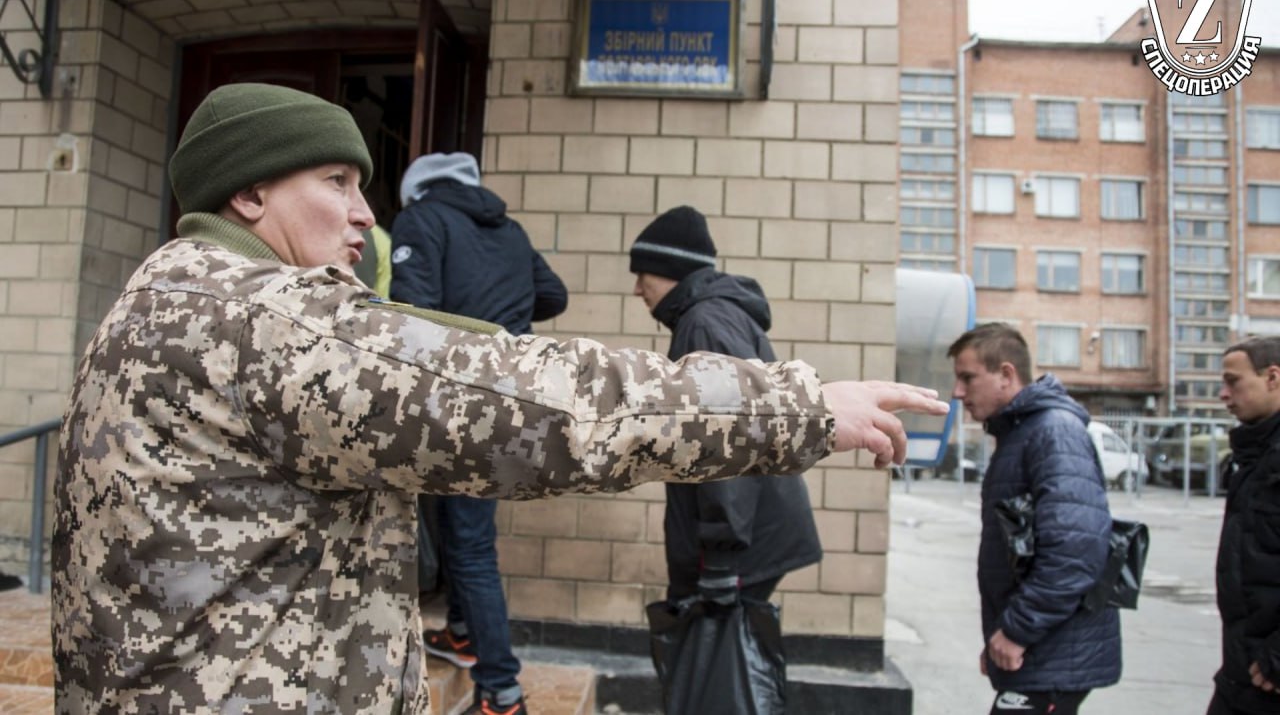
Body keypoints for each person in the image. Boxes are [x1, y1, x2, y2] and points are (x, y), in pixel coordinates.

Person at [51, 82, 947, 715]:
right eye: (337, 182)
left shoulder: (174, 296)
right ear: (246, 193)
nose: (366, 215)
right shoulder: (256, 316)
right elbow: (523, 403)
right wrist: (797, 409)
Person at [391, 151, 569, 715]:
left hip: (456, 402)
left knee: (468, 546)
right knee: (461, 527)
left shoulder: (421, 220)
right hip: (508, 400)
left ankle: (502, 690)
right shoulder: (508, 229)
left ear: (418, 190)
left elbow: (412, 311)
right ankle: (464, 633)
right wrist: (504, 317)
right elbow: (555, 295)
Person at [629, 205, 821, 608]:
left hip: (735, 549)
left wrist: (719, 560)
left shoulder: (704, 324)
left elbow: (730, 438)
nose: (636, 289)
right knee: (721, 664)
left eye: (640, 274)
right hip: (747, 536)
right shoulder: (716, 315)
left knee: (710, 664)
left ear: (668, 269)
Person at [947, 323, 1120, 715]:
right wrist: (1001, 635)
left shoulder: (1053, 432)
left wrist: (1015, 630)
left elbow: (1075, 550)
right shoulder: (1024, 432)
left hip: (1053, 651)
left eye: (968, 378)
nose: (958, 392)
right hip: (1043, 648)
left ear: (1006, 375)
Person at [1208, 336, 1280, 715]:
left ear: (1273, 377)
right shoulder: (1252, 455)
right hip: (1241, 670)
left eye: (1233, 381)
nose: (1224, 394)